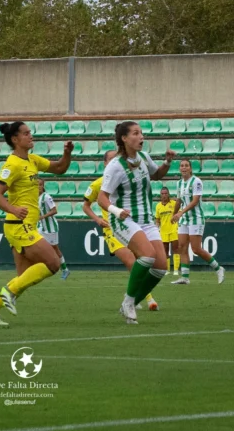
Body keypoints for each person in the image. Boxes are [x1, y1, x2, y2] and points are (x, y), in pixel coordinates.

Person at [0, 121, 73, 327]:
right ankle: (7, 293)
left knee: (22, 278)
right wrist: (13, 209)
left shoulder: (32, 160)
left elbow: (60, 169)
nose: (31, 136)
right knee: (53, 263)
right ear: (15, 139)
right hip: (19, 225)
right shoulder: (12, 164)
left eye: (31, 132)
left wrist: (67, 153)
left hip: (23, 225)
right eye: (26, 133)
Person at [98, 121, 176, 324]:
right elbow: (102, 198)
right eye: (135, 133)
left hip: (147, 220)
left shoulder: (142, 157)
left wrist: (166, 163)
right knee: (148, 256)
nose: (141, 137)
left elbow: (156, 175)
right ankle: (130, 301)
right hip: (124, 220)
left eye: (141, 133)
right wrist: (117, 211)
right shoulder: (115, 166)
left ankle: (129, 302)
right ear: (124, 139)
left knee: (160, 268)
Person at [83, 150, 159, 311]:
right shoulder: (97, 184)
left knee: (147, 260)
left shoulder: (128, 179)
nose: (114, 161)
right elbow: (85, 205)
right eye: (110, 159)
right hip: (112, 231)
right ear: (105, 164)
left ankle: (134, 298)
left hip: (130, 226)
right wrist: (97, 219)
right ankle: (146, 298)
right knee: (132, 261)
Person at [170, 158, 225, 285]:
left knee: (196, 249)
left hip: (196, 218)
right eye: (182, 166)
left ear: (190, 168)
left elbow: (195, 201)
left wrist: (181, 212)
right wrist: (174, 214)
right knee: (182, 246)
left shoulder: (196, 181)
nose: (184, 168)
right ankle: (185, 277)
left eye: (186, 166)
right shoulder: (179, 183)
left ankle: (218, 268)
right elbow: (178, 201)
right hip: (184, 218)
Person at [37, 179, 68, 279]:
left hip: (51, 227)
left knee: (55, 249)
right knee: (36, 245)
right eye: (36, 185)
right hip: (41, 227)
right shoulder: (35, 197)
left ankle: (65, 269)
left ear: (43, 186)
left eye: (40, 185)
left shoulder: (46, 197)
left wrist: (42, 217)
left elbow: (54, 211)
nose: (38, 187)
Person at [154, 187, 180, 275]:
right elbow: (157, 219)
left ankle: (176, 270)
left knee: (175, 249)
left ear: (168, 194)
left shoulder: (173, 203)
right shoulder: (158, 206)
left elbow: (179, 213)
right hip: (163, 230)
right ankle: (167, 270)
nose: (164, 195)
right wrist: (157, 227)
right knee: (165, 250)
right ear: (160, 195)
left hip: (173, 229)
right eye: (162, 194)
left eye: (166, 193)